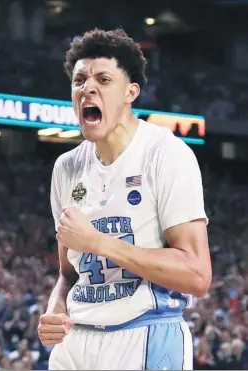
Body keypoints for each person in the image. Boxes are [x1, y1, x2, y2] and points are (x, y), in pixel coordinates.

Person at [38, 28, 212, 370]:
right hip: (77, 340)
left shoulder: (166, 154)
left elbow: (197, 275)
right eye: (79, 80)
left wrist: (100, 243)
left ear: (130, 92)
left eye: (103, 79)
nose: (88, 87)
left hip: (145, 333)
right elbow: (68, 273)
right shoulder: (66, 168)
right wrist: (56, 307)